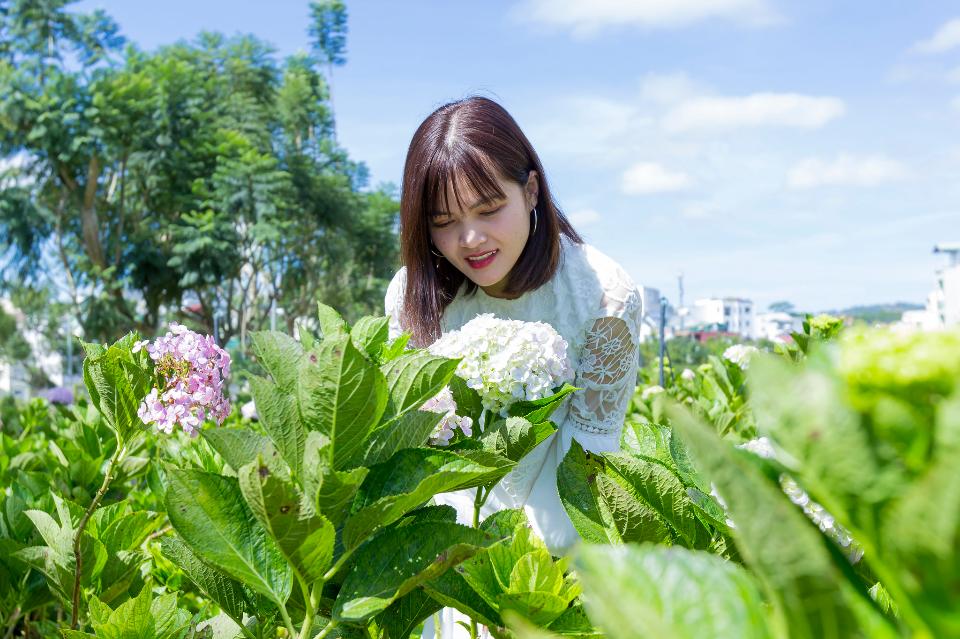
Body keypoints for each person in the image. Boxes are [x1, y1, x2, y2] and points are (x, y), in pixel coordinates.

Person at [384, 96, 643, 639]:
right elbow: (414, 449)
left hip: (551, 558)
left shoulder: (605, 294)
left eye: (486, 209)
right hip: (440, 550)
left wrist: (510, 579)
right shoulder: (413, 296)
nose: (469, 240)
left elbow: (585, 459)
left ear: (530, 191)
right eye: (444, 222)